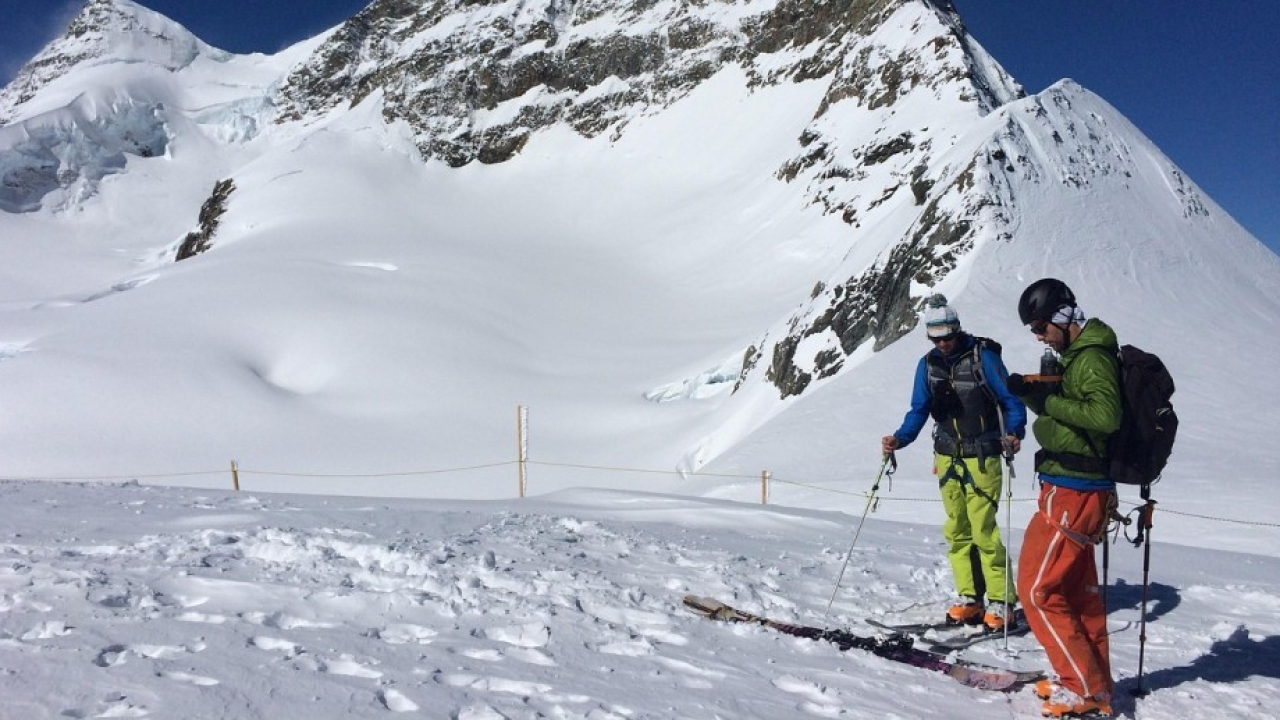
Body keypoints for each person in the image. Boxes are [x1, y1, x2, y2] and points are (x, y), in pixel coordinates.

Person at [1008, 278, 1120, 719]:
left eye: (1039, 325)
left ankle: (1083, 690)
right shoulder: (1078, 356)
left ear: (1061, 316)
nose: (1038, 335)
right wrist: (1037, 396)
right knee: (1077, 596)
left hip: (1076, 490)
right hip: (1074, 486)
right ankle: (1094, 684)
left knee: (1036, 590)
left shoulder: (1090, 358)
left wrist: (1050, 404)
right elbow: (1080, 414)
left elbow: (1104, 416)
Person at [882, 294, 1025, 632]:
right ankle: (970, 599)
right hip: (947, 457)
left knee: (984, 531)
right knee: (958, 531)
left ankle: (1003, 602)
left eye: (947, 336)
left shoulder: (983, 358)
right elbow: (919, 409)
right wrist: (899, 439)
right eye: (936, 338)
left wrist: (1015, 432)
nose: (943, 343)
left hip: (984, 456)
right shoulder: (927, 365)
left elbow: (1010, 400)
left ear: (958, 330)